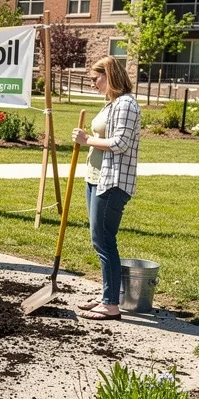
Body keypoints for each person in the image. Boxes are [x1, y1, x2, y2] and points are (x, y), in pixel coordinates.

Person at [72, 56, 141, 321]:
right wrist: (87, 140)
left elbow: (121, 142)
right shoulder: (111, 103)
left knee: (104, 240)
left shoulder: (126, 104)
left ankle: (112, 305)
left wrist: (88, 138)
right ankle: (106, 296)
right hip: (96, 178)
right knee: (99, 240)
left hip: (113, 181)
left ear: (109, 74)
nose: (92, 84)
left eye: (94, 79)